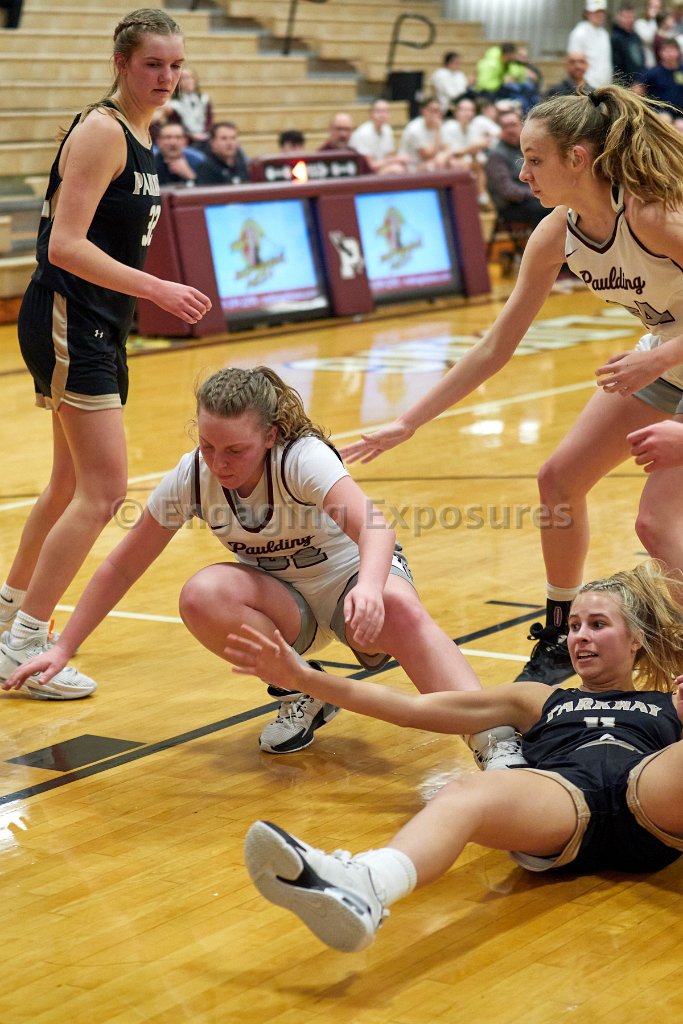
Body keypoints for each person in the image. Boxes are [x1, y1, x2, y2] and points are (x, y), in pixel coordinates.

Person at [1, 366, 521, 765]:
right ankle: (304, 691)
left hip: (348, 582)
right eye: (207, 445)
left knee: (394, 604)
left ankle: (494, 739)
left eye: (235, 450)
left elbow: (376, 528)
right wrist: (63, 647)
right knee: (202, 594)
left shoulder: (302, 458)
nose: (219, 462)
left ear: (271, 436)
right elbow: (121, 566)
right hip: (284, 604)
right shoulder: (193, 476)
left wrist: (367, 587)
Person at [341, 84, 683, 688]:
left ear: (578, 158)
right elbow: (495, 346)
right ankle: (559, 630)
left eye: (534, 159)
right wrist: (407, 422)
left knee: (656, 522)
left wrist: (659, 358)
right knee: (559, 479)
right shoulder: (556, 234)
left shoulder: (652, 214)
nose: (522, 174)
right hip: (666, 360)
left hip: (665, 359)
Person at [234, 559, 683, 953]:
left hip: (648, 791)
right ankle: (366, 884)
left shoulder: (671, 703)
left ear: (635, 639)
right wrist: (304, 678)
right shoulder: (537, 698)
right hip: (562, 800)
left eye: (598, 625)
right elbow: (412, 709)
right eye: (575, 626)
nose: (580, 637)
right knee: (465, 791)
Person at [0, 8, 211, 698]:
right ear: (121, 63)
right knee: (103, 492)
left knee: (68, 486)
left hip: (97, 322)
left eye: (176, 65)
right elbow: (63, 245)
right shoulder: (102, 131)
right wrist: (157, 289)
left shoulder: (141, 134)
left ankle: (7, 617)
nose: (167, 77)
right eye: (153, 64)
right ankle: (26, 642)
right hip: (71, 315)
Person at [485, 108, 550, 228]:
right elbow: (508, 191)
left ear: (522, 126)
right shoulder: (496, 155)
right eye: (505, 126)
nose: (510, 130)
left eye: (513, 125)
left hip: (533, 198)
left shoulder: (526, 148)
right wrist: (538, 193)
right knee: (547, 209)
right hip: (512, 206)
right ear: (500, 130)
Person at [348, 100, 411, 175]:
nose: (382, 115)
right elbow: (370, 166)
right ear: (371, 114)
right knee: (397, 169)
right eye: (379, 111)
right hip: (363, 173)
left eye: (385, 111)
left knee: (403, 167)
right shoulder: (363, 133)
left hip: (379, 169)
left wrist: (396, 160)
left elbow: (388, 156)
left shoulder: (387, 129)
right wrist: (396, 159)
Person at [634, 38, 683, 126]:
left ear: (678, 52)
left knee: (680, 125)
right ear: (660, 53)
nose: (669, 54)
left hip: (680, 114)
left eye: (672, 50)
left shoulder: (681, 71)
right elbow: (636, 90)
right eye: (666, 50)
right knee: (665, 120)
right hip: (660, 113)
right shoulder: (653, 72)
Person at [568, 0, 613, 89]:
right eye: (596, 12)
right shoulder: (579, 33)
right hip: (587, 86)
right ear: (587, 13)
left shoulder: (604, 33)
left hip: (605, 87)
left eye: (602, 12)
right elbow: (573, 62)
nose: (599, 15)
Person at [168, 65, 213, 149]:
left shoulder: (204, 99)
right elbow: (176, 125)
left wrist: (205, 133)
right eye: (184, 78)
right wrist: (191, 135)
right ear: (178, 82)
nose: (188, 81)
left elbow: (209, 121)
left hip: (204, 137)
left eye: (191, 77)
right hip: (186, 140)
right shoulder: (173, 104)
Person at [195, 121, 249, 186]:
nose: (229, 143)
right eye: (224, 139)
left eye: (233, 138)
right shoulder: (206, 169)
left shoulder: (242, 165)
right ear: (213, 143)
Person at [154, 121, 204, 186]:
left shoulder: (198, 163)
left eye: (178, 137)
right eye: (167, 137)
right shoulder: (149, 166)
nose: (173, 143)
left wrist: (190, 176)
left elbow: (208, 189)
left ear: (186, 141)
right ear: (158, 141)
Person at [610, 3, 646, 86]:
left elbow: (641, 60)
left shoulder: (635, 36)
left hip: (639, 82)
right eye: (625, 17)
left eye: (631, 17)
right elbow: (617, 67)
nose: (629, 20)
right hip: (624, 85)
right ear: (618, 17)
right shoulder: (615, 38)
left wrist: (640, 81)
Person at [635, 0, 663, 68]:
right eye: (653, 7)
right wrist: (653, 19)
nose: (655, 10)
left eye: (658, 7)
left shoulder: (664, 23)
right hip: (648, 62)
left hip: (661, 62)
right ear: (647, 7)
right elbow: (648, 39)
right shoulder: (640, 23)